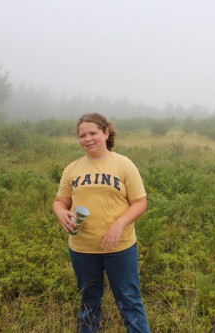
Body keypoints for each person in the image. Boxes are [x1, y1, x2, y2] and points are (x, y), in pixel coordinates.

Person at [52, 113, 151, 333]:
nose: (87, 139)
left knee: (129, 299)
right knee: (89, 300)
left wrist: (119, 224)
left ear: (106, 133)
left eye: (93, 133)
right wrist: (61, 213)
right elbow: (60, 201)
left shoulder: (123, 164)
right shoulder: (72, 169)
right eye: (82, 135)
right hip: (82, 248)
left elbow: (140, 202)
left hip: (120, 247)